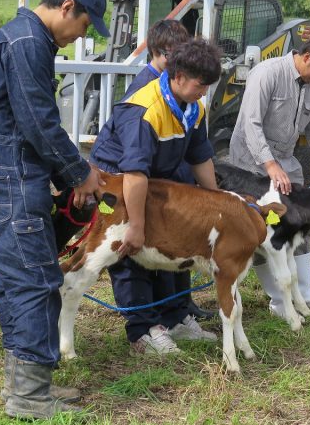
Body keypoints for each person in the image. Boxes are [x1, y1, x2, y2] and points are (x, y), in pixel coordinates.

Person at [0, 0, 108, 419]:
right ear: (67, 7)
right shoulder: (28, 42)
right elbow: (39, 123)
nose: (84, 35)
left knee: (18, 278)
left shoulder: (23, 37)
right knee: (34, 280)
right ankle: (28, 396)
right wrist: (79, 173)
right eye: (85, 24)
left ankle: (28, 383)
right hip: (8, 175)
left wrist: (66, 176)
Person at [90, 37, 221, 354]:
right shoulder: (145, 110)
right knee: (132, 252)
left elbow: (199, 157)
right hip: (119, 185)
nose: (204, 92)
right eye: (200, 85)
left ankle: (175, 318)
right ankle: (143, 331)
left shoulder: (193, 107)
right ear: (178, 77)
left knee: (174, 247)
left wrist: (218, 202)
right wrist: (135, 224)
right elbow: (134, 174)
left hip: (156, 183)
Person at [229, 33, 310, 316]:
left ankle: (306, 293)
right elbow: (250, 124)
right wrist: (269, 165)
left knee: (299, 223)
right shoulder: (267, 73)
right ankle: (280, 301)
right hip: (251, 165)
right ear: (306, 57)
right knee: (264, 232)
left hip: (286, 164)